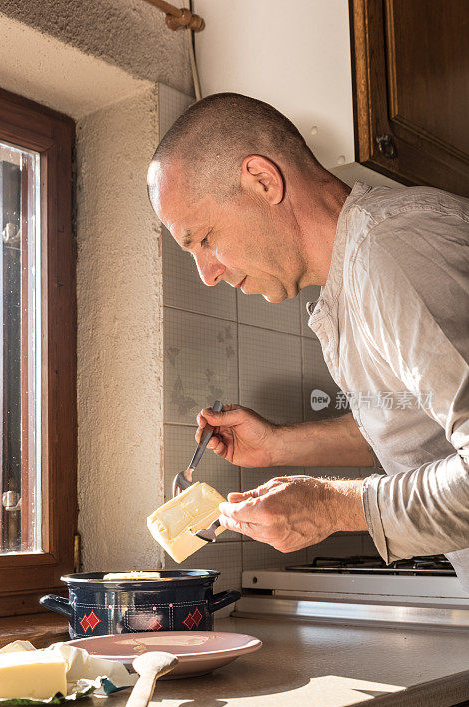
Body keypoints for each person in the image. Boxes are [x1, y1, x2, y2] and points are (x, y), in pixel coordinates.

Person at [147, 92, 469, 587]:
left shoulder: (392, 253)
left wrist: (334, 507)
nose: (206, 274)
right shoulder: (353, 279)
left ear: (262, 180)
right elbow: (417, 425)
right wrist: (277, 445)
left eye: (204, 239)